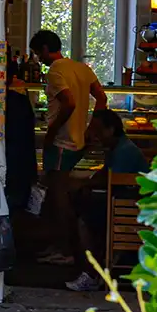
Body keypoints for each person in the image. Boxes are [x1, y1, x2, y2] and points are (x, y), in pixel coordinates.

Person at [29, 30, 107, 262]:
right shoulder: (82, 68)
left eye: (37, 53)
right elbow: (101, 98)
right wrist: (91, 129)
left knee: (58, 196)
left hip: (62, 142)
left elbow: (69, 102)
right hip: (78, 141)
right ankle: (58, 245)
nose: (38, 59)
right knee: (56, 193)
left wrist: (52, 131)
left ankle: (66, 250)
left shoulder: (55, 70)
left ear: (44, 48)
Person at [66, 109, 149, 292]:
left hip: (129, 211)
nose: (95, 135)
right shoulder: (118, 148)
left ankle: (91, 273)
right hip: (124, 206)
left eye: (98, 130)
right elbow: (104, 176)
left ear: (110, 130)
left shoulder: (124, 151)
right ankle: (91, 268)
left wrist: (81, 183)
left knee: (83, 221)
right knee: (83, 209)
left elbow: (108, 180)